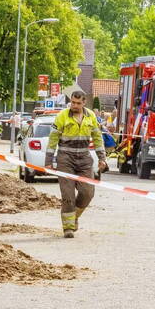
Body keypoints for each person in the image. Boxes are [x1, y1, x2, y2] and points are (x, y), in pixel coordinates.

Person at [45, 89, 105, 238]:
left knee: (88, 193)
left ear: (84, 103)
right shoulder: (62, 116)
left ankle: (75, 217)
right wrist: (48, 161)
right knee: (68, 195)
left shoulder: (91, 116)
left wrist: (102, 157)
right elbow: (52, 139)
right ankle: (68, 228)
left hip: (84, 159)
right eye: (73, 102)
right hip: (65, 158)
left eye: (78, 103)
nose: (75, 105)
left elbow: (97, 138)